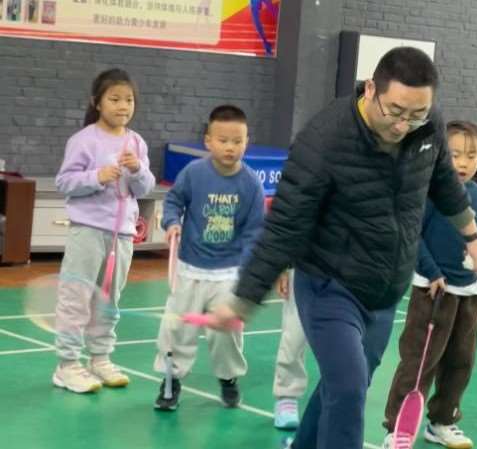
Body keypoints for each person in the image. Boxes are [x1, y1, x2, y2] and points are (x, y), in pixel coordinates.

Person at [207, 47, 477, 449]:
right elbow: (284, 225)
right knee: (349, 387)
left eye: (417, 114)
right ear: (371, 89)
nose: (404, 125)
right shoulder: (324, 140)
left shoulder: (427, 126)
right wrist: (243, 300)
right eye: (395, 111)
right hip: (329, 283)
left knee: (342, 386)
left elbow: (443, 179)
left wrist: (472, 236)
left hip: (384, 289)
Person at [381, 120, 477, 449]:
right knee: (419, 362)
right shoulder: (430, 193)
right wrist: (431, 272)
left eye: (471, 155)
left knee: (461, 361)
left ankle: (442, 421)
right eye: (455, 154)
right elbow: (412, 235)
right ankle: (397, 428)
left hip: (469, 294)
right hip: (433, 291)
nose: (463, 162)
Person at [152, 105, 265, 410]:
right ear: (208, 141)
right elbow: (173, 201)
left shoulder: (251, 184)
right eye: (223, 140)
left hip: (228, 274)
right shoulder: (193, 173)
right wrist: (171, 223)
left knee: (227, 333)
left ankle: (229, 378)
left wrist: (246, 271)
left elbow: (254, 232)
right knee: (175, 332)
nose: (230, 147)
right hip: (188, 270)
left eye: (237, 141)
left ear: (246, 142)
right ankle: (171, 382)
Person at [53, 68, 155, 393]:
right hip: (88, 231)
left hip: (122, 236)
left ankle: (100, 358)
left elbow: (145, 188)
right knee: (77, 298)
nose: (123, 106)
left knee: (109, 301)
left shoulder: (136, 142)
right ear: (97, 102)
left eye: (129, 100)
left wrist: (137, 170)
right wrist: (96, 177)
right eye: (115, 99)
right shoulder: (83, 140)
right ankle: (67, 365)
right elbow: (64, 182)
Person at [271, 269, 307, 429]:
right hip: (304, 268)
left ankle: (341, 399)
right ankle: (287, 396)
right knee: (294, 334)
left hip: (348, 269)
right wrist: (283, 267)